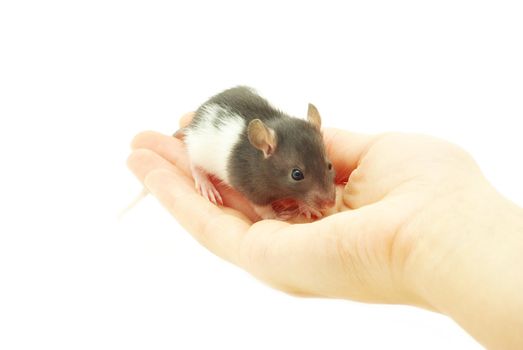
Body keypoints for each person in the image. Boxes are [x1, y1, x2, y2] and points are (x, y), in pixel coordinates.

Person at [127, 112, 523, 349]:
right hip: (222, 135)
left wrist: (411, 239)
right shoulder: (251, 163)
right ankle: (196, 169)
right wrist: (268, 211)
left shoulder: (296, 147)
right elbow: (252, 188)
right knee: (201, 157)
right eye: (299, 176)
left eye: (328, 172)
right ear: (265, 147)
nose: (325, 193)